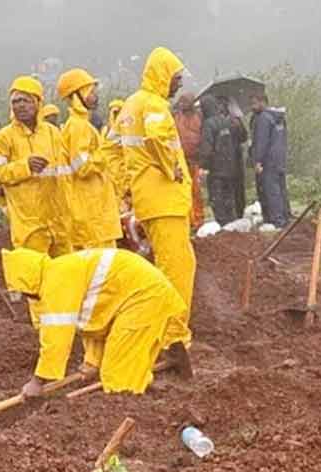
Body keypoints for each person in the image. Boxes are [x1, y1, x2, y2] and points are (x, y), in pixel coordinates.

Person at [0, 247, 192, 397]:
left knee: (118, 379)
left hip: (144, 298)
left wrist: (37, 382)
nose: (27, 297)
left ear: (27, 281)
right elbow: (97, 319)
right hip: (139, 296)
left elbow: (56, 341)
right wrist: (92, 361)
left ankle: (129, 404)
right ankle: (141, 384)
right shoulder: (59, 271)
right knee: (119, 367)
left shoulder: (55, 284)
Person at [118, 47, 196, 346]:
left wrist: (126, 188)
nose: (178, 84)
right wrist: (172, 167)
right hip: (164, 199)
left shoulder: (130, 105)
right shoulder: (153, 105)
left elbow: (115, 150)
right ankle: (174, 336)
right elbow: (156, 137)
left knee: (168, 266)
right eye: (176, 77)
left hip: (148, 199)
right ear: (162, 74)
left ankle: (162, 331)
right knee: (177, 269)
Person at [0, 75, 74, 255]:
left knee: (64, 275)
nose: (20, 105)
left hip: (59, 222)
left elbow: (66, 173)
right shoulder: (4, 137)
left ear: (37, 103)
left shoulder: (53, 133)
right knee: (32, 275)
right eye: (15, 101)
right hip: (29, 224)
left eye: (25, 100)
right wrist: (25, 166)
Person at [57, 68, 123, 250]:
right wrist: (105, 154)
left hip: (94, 213)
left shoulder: (81, 125)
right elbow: (83, 167)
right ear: (78, 95)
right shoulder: (79, 127)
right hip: (92, 215)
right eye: (91, 92)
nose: (95, 96)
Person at [199, 95, 248, 225]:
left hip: (216, 170)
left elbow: (206, 149)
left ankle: (223, 225)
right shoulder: (228, 122)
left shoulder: (208, 124)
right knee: (229, 198)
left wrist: (203, 166)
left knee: (217, 199)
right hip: (231, 168)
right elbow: (239, 140)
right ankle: (232, 224)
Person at [249, 92, 290, 227]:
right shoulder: (279, 118)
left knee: (271, 191)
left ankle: (276, 221)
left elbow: (262, 142)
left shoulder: (263, 119)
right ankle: (284, 218)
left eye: (254, 103)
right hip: (280, 159)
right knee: (281, 190)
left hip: (268, 161)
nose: (252, 106)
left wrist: (257, 161)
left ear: (263, 102)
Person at [173, 92, 206, 228]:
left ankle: (198, 219)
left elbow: (204, 135)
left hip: (196, 160)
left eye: (185, 102)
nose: (182, 104)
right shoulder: (176, 117)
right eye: (181, 102)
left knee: (196, 190)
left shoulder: (200, 116)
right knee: (183, 191)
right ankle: (188, 219)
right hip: (181, 160)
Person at [99, 99, 128, 203]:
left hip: (122, 174)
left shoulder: (127, 129)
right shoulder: (105, 130)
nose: (115, 115)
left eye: (118, 112)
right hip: (108, 173)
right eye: (113, 112)